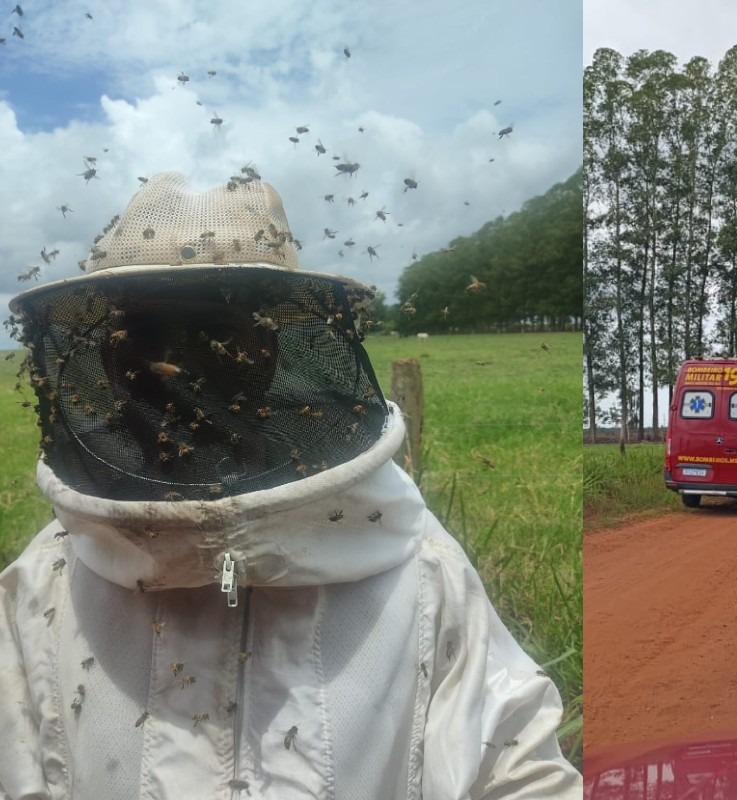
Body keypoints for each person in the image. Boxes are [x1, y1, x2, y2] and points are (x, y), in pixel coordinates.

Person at [0, 173, 581, 798]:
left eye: (214, 328)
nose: (180, 358)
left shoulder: (418, 562)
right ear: (110, 358)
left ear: (266, 349)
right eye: (148, 330)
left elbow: (513, 765)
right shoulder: (44, 582)